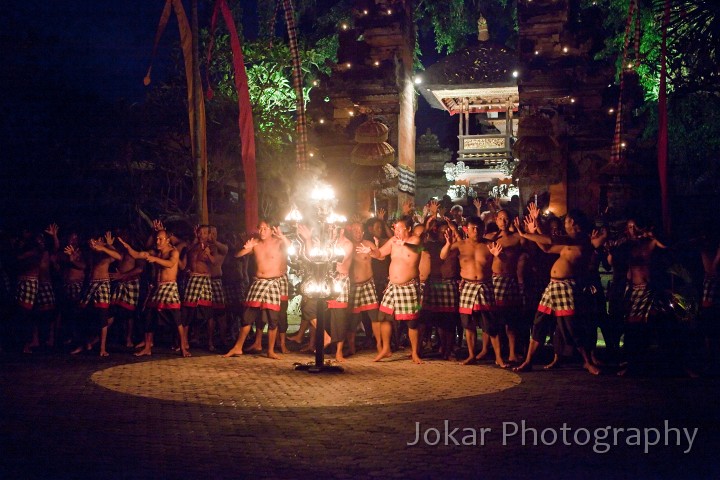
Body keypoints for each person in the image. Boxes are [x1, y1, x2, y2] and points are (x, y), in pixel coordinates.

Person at [513, 210, 601, 375]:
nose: (564, 225)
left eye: (566, 221)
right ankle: (528, 361)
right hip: (552, 287)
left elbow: (550, 239)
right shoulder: (568, 242)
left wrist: (525, 233)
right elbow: (547, 248)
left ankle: (587, 362)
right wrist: (536, 229)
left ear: (574, 223)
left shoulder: (580, 239)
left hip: (566, 287)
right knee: (538, 323)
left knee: (572, 326)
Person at [441, 216, 506, 367]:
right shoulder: (460, 245)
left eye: (479, 228)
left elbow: (505, 261)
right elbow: (442, 256)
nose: (476, 231)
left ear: (483, 229)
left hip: (485, 286)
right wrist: (448, 244)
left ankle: (499, 357)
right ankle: (471, 355)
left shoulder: (490, 244)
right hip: (467, 287)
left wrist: (499, 255)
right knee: (468, 325)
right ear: (467, 230)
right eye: (473, 228)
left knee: (491, 325)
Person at [358, 216, 423, 363]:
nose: (397, 231)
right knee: (384, 317)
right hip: (392, 286)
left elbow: (419, 249)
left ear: (409, 229)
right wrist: (371, 251)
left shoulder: (415, 241)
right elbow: (380, 253)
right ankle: (386, 349)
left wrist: (404, 244)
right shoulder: (393, 241)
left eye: (400, 229)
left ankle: (414, 353)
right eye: (396, 228)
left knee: (411, 322)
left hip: (408, 286)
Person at [223, 220, 290, 360]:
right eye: (260, 228)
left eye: (265, 228)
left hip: (273, 283)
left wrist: (282, 236)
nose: (262, 231)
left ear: (272, 230)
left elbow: (290, 247)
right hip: (258, 283)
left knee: (273, 319)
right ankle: (238, 347)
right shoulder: (256, 243)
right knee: (247, 317)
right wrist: (245, 246)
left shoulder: (279, 243)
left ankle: (270, 351)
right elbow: (238, 255)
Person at [118, 230, 181, 357]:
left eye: (160, 239)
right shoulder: (154, 253)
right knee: (148, 316)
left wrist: (155, 259)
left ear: (167, 240)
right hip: (157, 287)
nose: (157, 241)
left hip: (169, 287)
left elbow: (170, 264)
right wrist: (128, 247)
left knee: (176, 319)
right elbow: (136, 255)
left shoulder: (173, 252)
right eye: (156, 239)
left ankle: (183, 347)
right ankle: (147, 348)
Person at [72, 232, 121, 356]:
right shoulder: (90, 253)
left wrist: (105, 246)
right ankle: (83, 344)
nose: (91, 244)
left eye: (93, 242)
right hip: (90, 283)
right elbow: (84, 266)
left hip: (103, 283)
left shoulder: (106, 252)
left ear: (99, 240)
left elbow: (118, 257)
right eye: (89, 243)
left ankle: (102, 348)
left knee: (103, 316)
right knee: (80, 312)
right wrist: (72, 260)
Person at [180, 225, 215, 356]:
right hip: (193, 279)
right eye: (200, 232)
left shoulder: (211, 247)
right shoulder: (192, 247)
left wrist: (208, 254)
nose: (202, 234)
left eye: (205, 232)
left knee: (208, 313)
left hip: (204, 279)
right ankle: (184, 342)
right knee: (187, 311)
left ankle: (210, 342)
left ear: (208, 235)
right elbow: (186, 261)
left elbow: (214, 261)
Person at [347, 221, 380, 353]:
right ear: (350, 231)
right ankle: (351, 347)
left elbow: (381, 257)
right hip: (354, 285)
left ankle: (380, 345)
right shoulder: (348, 246)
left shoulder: (368, 244)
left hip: (368, 284)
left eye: (360, 230)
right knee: (353, 319)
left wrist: (375, 249)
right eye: (355, 230)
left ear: (363, 232)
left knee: (375, 316)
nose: (358, 233)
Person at [207, 226, 230, 351]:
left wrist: (214, 241)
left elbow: (224, 251)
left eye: (214, 232)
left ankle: (223, 340)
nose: (212, 235)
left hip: (216, 281)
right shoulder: (203, 246)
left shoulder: (220, 247)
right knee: (209, 314)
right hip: (205, 281)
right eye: (210, 232)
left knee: (221, 313)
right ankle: (210, 342)